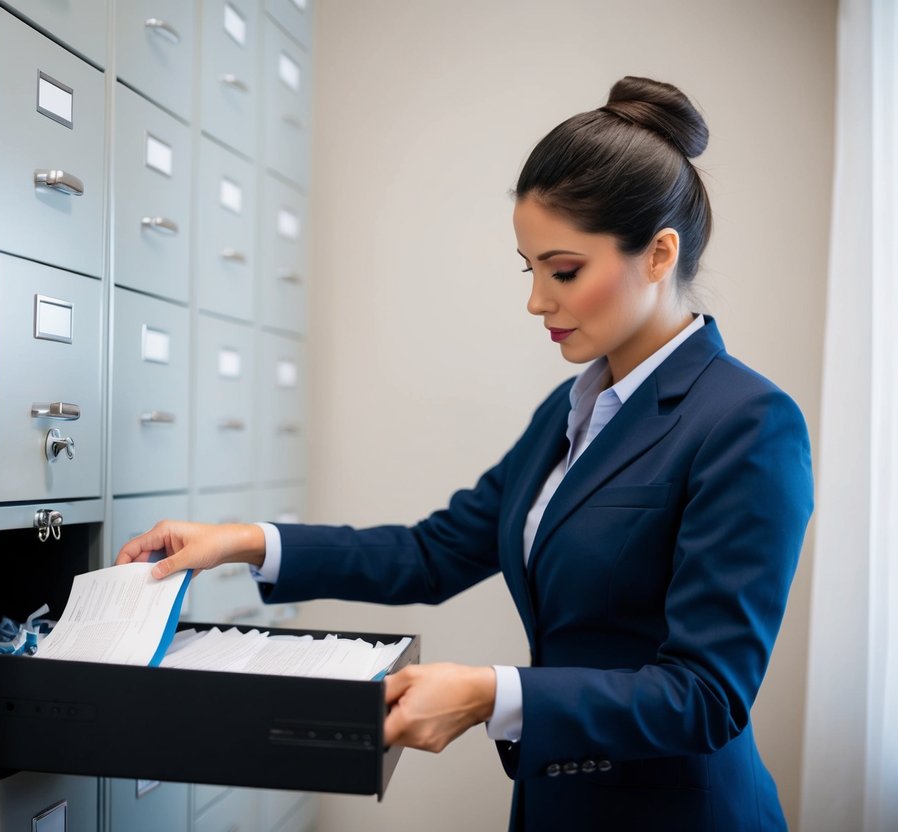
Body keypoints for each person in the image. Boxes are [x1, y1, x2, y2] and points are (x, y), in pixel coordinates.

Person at [117, 76, 814, 832]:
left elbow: (706, 696)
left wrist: (492, 693)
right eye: (530, 270)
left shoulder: (747, 422)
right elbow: (434, 552)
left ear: (658, 254)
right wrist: (243, 542)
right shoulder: (572, 409)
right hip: (556, 805)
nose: (537, 302)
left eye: (564, 270)